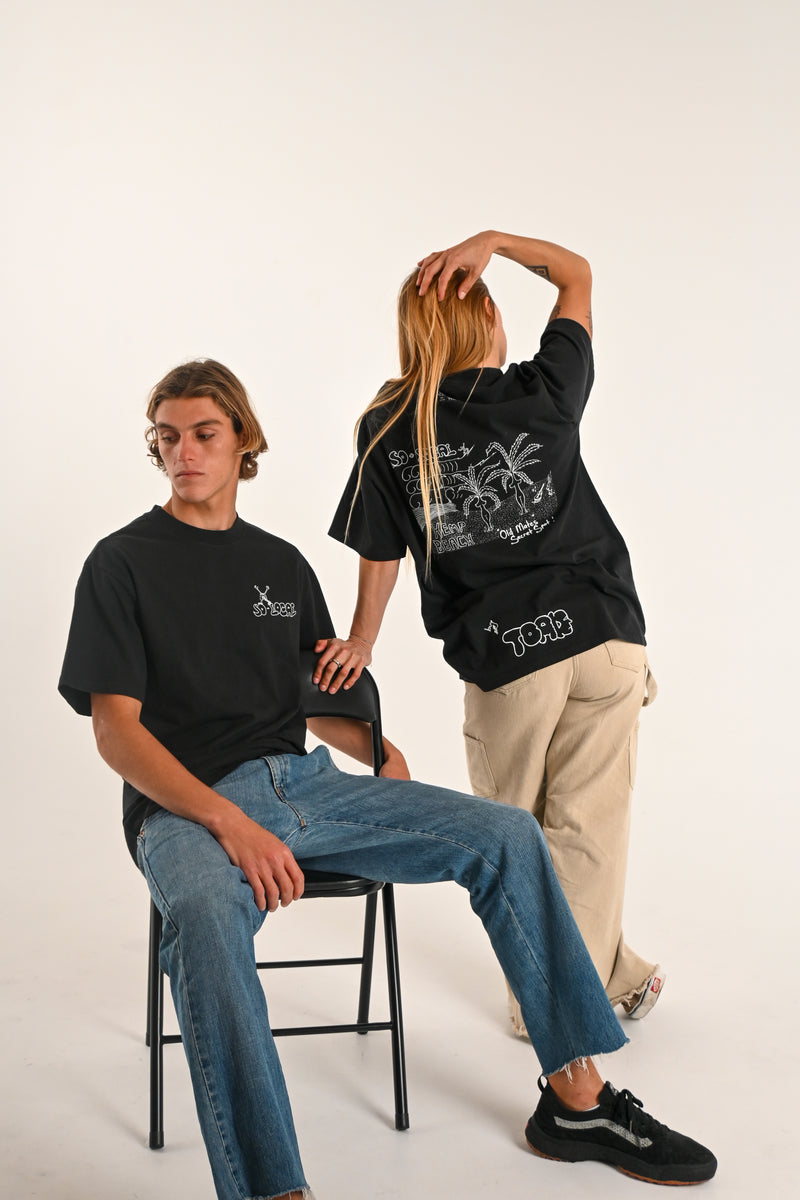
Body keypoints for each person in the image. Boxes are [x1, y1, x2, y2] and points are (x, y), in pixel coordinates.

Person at [59, 359, 716, 1199]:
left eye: (203, 433)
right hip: (185, 808)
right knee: (204, 918)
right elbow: (117, 732)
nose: (183, 451)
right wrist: (230, 823)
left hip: (307, 786)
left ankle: (576, 1102)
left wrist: (375, 746)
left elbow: (304, 693)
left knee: (506, 834)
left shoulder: (279, 565)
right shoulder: (120, 563)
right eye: (168, 437)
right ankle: (273, 1190)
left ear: (242, 443)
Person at [321, 230, 663, 1037]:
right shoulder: (543, 388)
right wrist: (497, 242)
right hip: (606, 635)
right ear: (488, 317)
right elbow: (577, 275)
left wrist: (363, 641)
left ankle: (548, 1006)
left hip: (511, 660)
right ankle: (606, 979)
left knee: (511, 837)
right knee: (587, 828)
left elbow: (380, 548)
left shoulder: (387, 423)